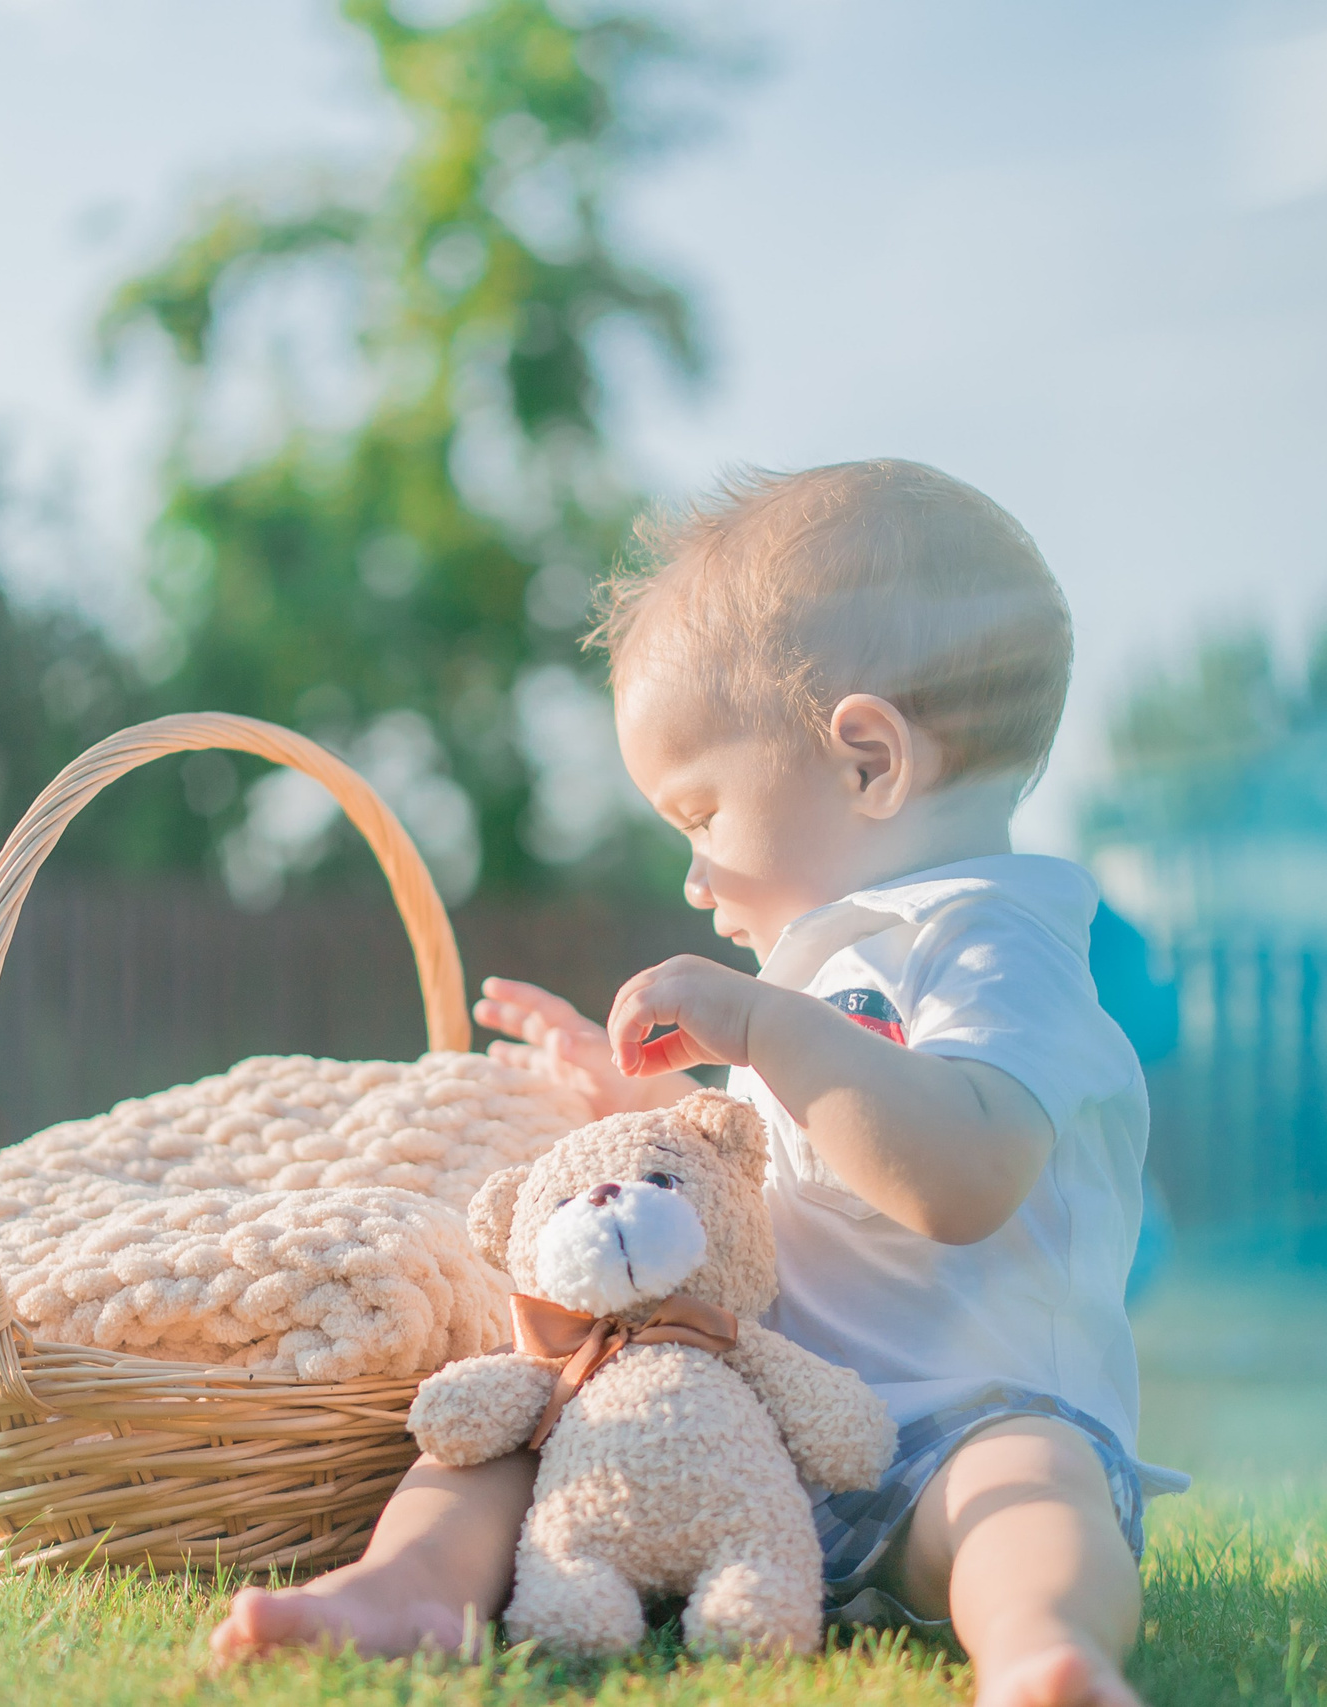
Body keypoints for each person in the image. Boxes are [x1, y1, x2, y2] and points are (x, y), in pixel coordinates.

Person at [213, 460, 1183, 1707]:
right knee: (525, 1423)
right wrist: (630, 1103)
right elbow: (773, 1161)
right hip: (750, 1439)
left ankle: (1045, 1652)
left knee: (1034, 1484)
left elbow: (961, 1175)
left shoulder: (991, 944)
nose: (692, 875)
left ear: (867, 761)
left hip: (957, 1439)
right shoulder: (820, 976)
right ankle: (404, 1588)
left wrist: (760, 1022)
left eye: (701, 812)